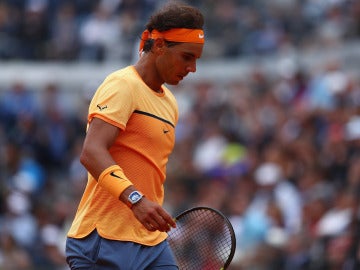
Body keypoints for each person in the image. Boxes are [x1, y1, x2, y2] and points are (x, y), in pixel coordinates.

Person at [65, 1, 205, 269]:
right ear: (161, 46)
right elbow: (91, 152)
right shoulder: (122, 85)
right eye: (187, 57)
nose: (193, 68)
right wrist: (135, 199)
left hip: (151, 242)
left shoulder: (170, 103)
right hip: (103, 239)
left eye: (196, 59)